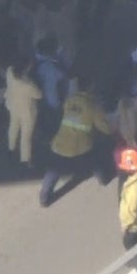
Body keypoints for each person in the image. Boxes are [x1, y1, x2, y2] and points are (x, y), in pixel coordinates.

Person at [40, 75, 113, 207]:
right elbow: (104, 127)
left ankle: (44, 198)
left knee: (54, 171)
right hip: (81, 146)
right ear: (91, 88)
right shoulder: (93, 106)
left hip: (60, 143)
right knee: (93, 161)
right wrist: (110, 131)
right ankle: (103, 179)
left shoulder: (69, 100)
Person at [5, 56, 43, 166]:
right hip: (27, 111)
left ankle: (11, 148)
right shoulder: (28, 84)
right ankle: (25, 159)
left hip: (13, 105)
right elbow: (39, 95)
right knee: (25, 136)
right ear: (25, 68)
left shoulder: (9, 72)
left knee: (13, 126)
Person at [34, 35, 68, 139]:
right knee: (50, 123)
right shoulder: (50, 70)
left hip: (36, 96)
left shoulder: (36, 57)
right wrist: (56, 105)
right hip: (49, 103)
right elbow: (51, 91)